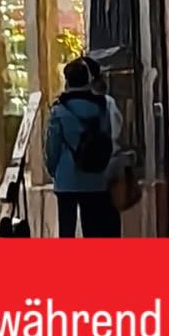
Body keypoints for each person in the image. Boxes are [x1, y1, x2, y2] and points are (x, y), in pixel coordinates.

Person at [45, 56, 119, 238]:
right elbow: (107, 139)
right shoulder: (101, 107)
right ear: (87, 80)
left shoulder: (59, 110)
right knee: (93, 229)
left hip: (66, 181)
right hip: (95, 179)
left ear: (67, 81)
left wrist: (53, 170)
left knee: (67, 230)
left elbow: (52, 147)